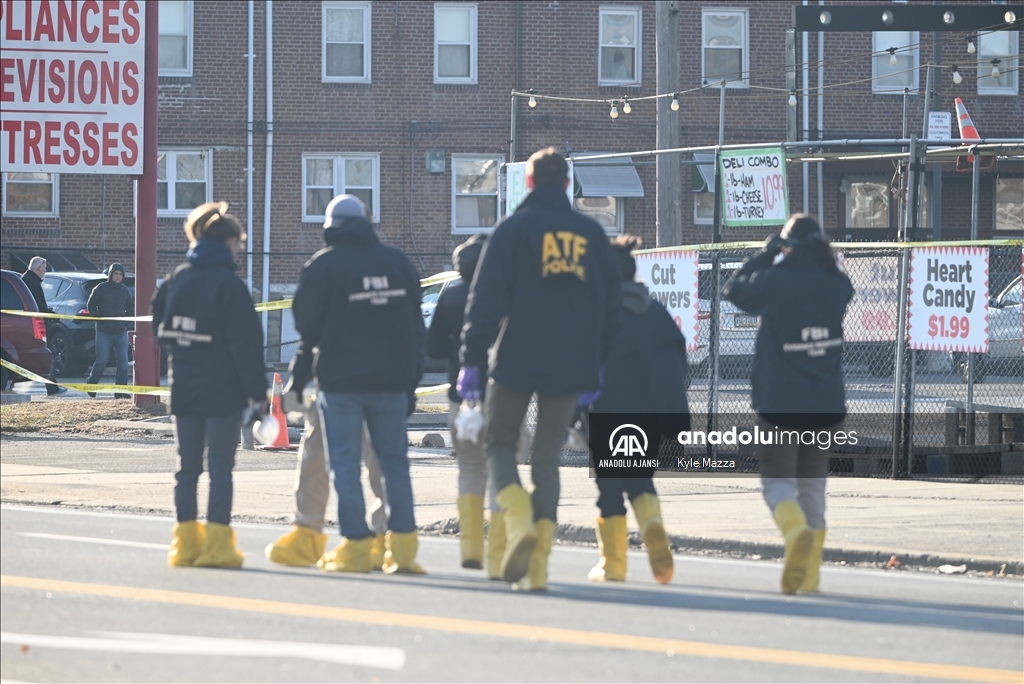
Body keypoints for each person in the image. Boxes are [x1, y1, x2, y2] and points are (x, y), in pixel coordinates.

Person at [459, 147, 621, 590]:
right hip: (572, 363)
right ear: (568, 185)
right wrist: (598, 365)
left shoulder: (511, 231)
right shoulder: (591, 233)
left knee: (500, 444)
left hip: (516, 357)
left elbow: (484, 303)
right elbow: (611, 306)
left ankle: (519, 520)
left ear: (528, 183)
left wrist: (471, 362)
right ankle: (539, 569)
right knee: (548, 457)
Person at [291, 194, 426, 575]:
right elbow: (417, 331)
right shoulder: (398, 263)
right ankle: (402, 550)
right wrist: (412, 384)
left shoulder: (324, 266)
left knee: (345, 466)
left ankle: (356, 546)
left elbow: (306, 326)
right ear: (368, 221)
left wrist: (301, 377)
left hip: (342, 383)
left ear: (329, 226)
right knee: (394, 465)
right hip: (392, 383)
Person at [723, 214, 853, 594]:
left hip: (780, 399)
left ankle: (795, 533)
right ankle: (809, 575)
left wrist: (765, 256)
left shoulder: (775, 283)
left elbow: (733, 290)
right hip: (825, 399)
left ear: (787, 247)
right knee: (812, 485)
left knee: (777, 480)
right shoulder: (838, 285)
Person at [152, 201, 269, 568]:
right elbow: (246, 346)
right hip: (223, 391)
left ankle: (185, 545)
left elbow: (160, 330)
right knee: (220, 468)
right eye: (239, 242)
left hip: (184, 385)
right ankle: (218, 546)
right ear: (229, 241)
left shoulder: (176, 279)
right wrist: (258, 393)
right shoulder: (231, 286)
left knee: (187, 469)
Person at [587, 236, 688, 585]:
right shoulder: (658, 313)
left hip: (607, 413)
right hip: (649, 416)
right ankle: (653, 528)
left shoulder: (599, 313)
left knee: (611, 489)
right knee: (640, 479)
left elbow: (580, 365)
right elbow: (678, 367)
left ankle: (612, 565)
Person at [265, 327, 391, 570]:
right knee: (376, 460)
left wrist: (298, 379)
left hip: (345, 379)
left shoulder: (331, 288)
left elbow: (313, 327)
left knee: (330, 459)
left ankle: (315, 535)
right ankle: (380, 539)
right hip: (367, 377)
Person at [426, 235, 506, 573]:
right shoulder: (505, 293)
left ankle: (471, 546)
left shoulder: (450, 294)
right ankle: (501, 549)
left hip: (462, 396)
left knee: (469, 469)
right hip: (504, 393)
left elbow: (432, 347)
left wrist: (452, 344)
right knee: (504, 469)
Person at [86, 262, 134, 399]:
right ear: (110, 275)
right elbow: (91, 305)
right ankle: (92, 382)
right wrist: (99, 319)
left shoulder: (125, 290)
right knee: (102, 360)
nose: (118, 276)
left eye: (120, 274)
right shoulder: (100, 288)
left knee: (123, 362)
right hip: (103, 331)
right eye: (115, 274)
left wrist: (126, 321)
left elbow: (130, 308)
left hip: (120, 332)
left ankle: (120, 391)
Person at [20, 257, 65, 396]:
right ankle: (52, 387)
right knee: (43, 354)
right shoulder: (32, 282)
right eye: (45, 268)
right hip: (32, 326)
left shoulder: (26, 280)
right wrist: (52, 315)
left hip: (27, 325)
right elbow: (38, 307)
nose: (45, 271)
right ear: (39, 268)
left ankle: (52, 387)